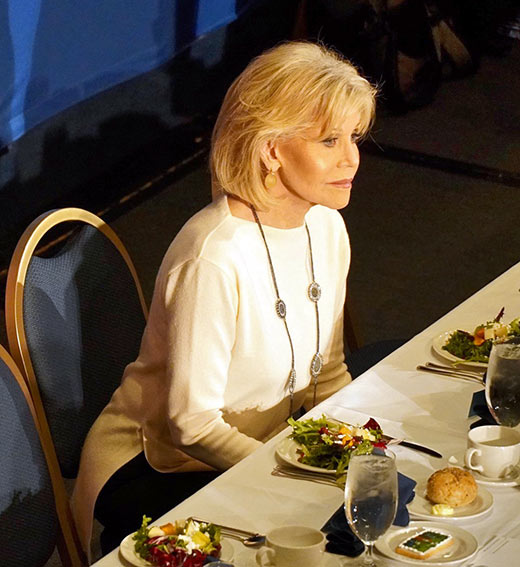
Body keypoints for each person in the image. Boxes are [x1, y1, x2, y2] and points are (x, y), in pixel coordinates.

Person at [71, 40, 377, 559]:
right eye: (329, 140)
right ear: (271, 149)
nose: (352, 157)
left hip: (265, 446)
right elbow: (191, 425)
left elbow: (328, 376)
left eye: (354, 136)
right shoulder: (213, 257)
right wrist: (289, 477)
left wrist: (356, 455)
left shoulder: (327, 226)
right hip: (160, 465)